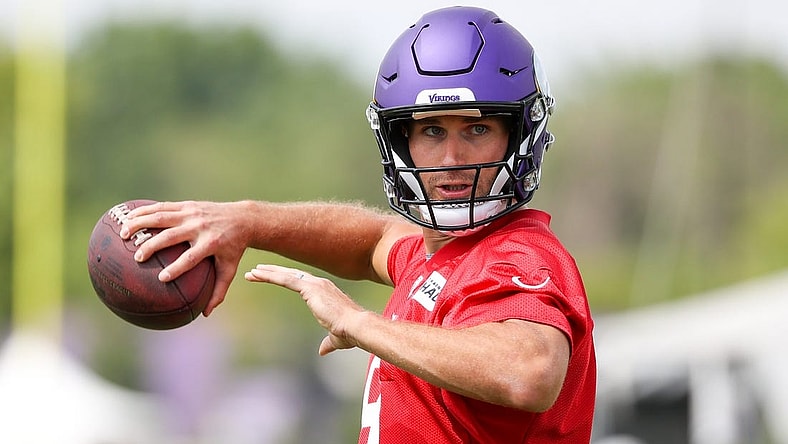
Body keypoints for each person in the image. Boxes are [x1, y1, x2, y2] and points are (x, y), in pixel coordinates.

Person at [119, 6, 596, 443]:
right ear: (400, 141)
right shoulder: (440, 256)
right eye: (432, 130)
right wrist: (245, 221)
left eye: (477, 128)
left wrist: (357, 322)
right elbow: (373, 239)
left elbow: (529, 371)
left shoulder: (521, 256)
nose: (452, 159)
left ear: (520, 136)